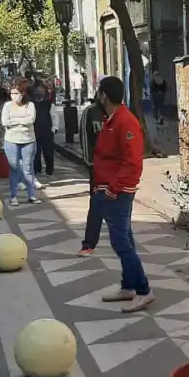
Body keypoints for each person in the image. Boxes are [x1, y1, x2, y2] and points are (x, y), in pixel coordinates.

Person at [91, 76, 154, 312]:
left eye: (99, 92)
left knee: (121, 243)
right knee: (124, 239)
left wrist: (112, 189)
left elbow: (132, 162)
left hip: (117, 192)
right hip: (111, 189)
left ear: (104, 95)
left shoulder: (125, 122)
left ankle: (144, 290)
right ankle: (128, 286)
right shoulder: (113, 120)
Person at [1, 79, 41, 207]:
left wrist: (15, 120)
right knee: (14, 168)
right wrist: (21, 121)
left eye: (17, 93)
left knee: (28, 168)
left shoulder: (30, 105)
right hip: (11, 141)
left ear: (23, 93)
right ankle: (13, 196)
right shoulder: (7, 106)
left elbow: (31, 120)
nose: (14, 96)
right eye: (12, 93)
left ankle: (31, 195)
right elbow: (5, 122)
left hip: (28, 140)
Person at [78, 87, 108, 256]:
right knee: (96, 205)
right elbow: (85, 138)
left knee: (121, 209)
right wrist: (90, 163)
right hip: (97, 168)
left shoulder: (120, 113)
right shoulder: (91, 112)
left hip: (117, 171)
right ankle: (89, 243)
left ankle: (126, 242)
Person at [32, 80, 59, 189]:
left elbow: (54, 116)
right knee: (35, 152)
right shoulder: (31, 104)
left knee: (48, 152)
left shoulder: (49, 104)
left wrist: (54, 128)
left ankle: (50, 170)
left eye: (41, 90)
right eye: (37, 91)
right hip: (34, 132)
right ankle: (37, 170)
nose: (39, 92)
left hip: (47, 131)